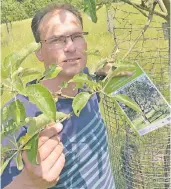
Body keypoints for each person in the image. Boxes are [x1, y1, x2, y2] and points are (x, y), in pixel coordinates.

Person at [2, 3, 115, 189]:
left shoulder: (87, 84)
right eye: (57, 40)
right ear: (38, 51)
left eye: (76, 36)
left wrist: (106, 75)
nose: (70, 47)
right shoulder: (17, 116)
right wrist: (28, 183)